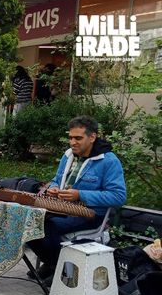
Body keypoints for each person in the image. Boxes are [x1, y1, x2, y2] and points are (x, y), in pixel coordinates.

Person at [27, 116, 126, 283]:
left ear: (92, 137)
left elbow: (118, 196)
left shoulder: (108, 161)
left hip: (91, 215)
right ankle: (52, 263)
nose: (73, 142)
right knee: (29, 219)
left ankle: (61, 270)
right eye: (71, 137)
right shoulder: (68, 156)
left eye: (78, 138)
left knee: (46, 225)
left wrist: (80, 195)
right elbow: (58, 179)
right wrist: (54, 188)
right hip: (62, 208)